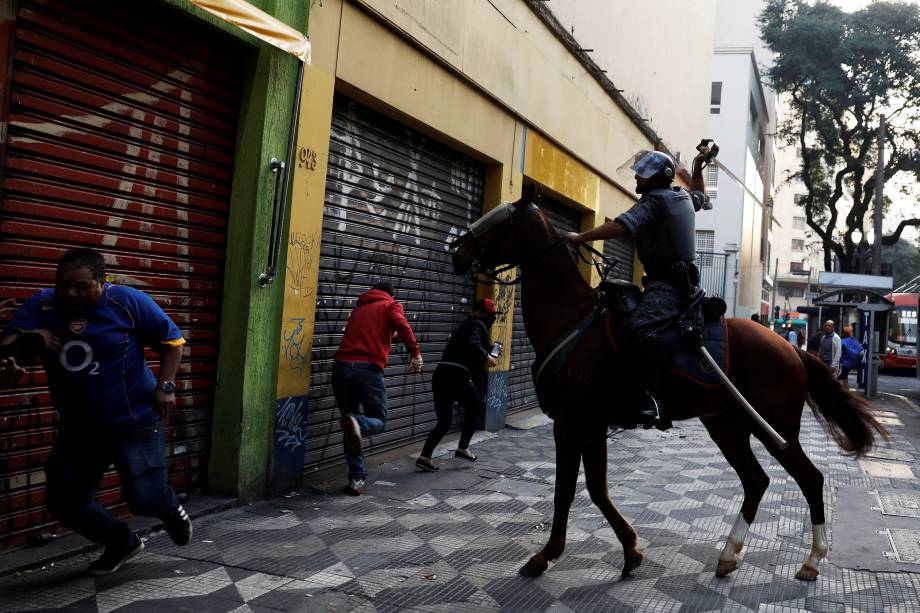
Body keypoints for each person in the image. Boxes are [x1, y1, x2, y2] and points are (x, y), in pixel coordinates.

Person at [0, 249, 192, 575]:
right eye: (63, 285)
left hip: (135, 422)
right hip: (81, 429)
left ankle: (170, 507)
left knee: (145, 499)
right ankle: (121, 542)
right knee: (64, 502)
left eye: (82, 286)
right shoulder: (43, 305)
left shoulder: (126, 301)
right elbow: (10, 346)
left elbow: (172, 341)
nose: (70, 293)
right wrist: (20, 354)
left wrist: (166, 386)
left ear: (103, 283)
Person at [566, 145, 712, 429]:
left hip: (667, 287)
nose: (636, 179)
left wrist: (581, 237)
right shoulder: (679, 196)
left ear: (659, 177)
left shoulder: (655, 201)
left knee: (640, 327)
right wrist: (697, 168)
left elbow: (622, 226)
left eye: (642, 175)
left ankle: (652, 397)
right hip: (678, 283)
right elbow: (700, 196)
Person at [333, 281, 422, 495]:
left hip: (341, 367)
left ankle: (356, 478)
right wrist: (415, 353)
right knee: (378, 420)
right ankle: (358, 422)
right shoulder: (392, 305)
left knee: (349, 426)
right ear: (391, 294)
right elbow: (401, 324)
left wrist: (392, 336)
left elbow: (381, 333)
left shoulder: (359, 309)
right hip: (368, 370)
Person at [416, 298, 499, 472]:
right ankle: (462, 448)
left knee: (444, 421)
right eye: (488, 315)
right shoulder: (477, 325)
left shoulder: (467, 326)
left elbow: (468, 346)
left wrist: (488, 350)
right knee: (475, 407)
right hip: (456, 375)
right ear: (477, 312)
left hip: (441, 374)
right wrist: (487, 356)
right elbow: (472, 344)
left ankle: (425, 457)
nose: (489, 319)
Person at [839, 325, 863, 390]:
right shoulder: (855, 341)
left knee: (842, 376)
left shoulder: (843, 341)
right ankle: (846, 389)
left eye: (843, 332)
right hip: (852, 362)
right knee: (844, 376)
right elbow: (861, 351)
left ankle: (846, 390)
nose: (842, 333)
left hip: (844, 362)